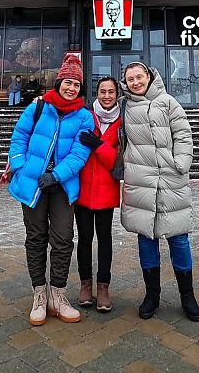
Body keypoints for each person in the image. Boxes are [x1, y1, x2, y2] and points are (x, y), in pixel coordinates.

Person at [7, 54, 94, 325]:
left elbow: (80, 154)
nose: (71, 88)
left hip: (62, 187)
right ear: (59, 83)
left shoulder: (84, 117)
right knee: (36, 239)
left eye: (76, 85)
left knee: (63, 239)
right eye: (68, 83)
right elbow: (19, 137)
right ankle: (39, 296)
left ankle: (58, 294)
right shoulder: (37, 108)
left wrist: (56, 175)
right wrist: (21, 167)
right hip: (32, 183)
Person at [120, 61, 199, 322]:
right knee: (146, 238)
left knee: (178, 238)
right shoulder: (124, 106)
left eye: (139, 76)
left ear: (149, 76)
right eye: (130, 78)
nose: (135, 82)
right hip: (140, 181)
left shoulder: (167, 102)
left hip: (170, 179)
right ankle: (152, 295)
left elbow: (184, 135)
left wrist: (181, 163)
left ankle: (187, 295)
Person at [74, 77, 122, 312]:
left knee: (104, 239)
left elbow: (117, 162)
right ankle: (85, 284)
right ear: (97, 93)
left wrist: (98, 145)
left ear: (116, 94)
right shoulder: (84, 117)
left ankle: (103, 287)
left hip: (106, 190)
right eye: (102, 91)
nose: (106, 96)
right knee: (83, 239)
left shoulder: (122, 123)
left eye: (111, 92)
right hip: (82, 189)